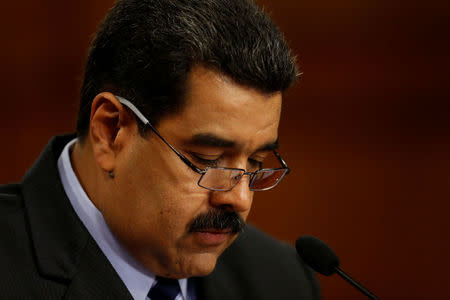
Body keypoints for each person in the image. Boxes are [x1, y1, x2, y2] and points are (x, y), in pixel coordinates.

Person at [0, 0, 320, 299]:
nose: (240, 198)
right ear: (111, 132)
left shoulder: (282, 280)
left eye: (255, 162)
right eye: (207, 160)